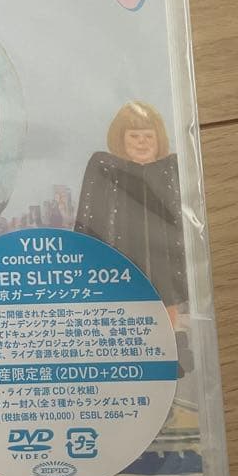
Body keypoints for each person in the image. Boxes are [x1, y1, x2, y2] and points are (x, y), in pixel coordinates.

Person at [74, 101, 188, 325]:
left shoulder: (170, 168)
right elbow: (90, 216)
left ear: (159, 139)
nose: (142, 142)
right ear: (121, 139)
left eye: (148, 136)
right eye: (134, 136)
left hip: (163, 263)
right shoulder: (106, 167)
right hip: (123, 260)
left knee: (167, 319)